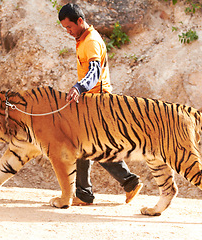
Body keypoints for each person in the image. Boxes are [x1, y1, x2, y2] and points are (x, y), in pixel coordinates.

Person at [58, 3, 143, 205]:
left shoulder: (91, 42)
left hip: (99, 103)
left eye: (69, 27)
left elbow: (94, 72)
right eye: (65, 29)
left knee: (87, 147)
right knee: (88, 147)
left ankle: (87, 193)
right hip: (92, 102)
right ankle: (124, 183)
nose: (68, 32)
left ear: (80, 21)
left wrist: (79, 87)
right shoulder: (83, 38)